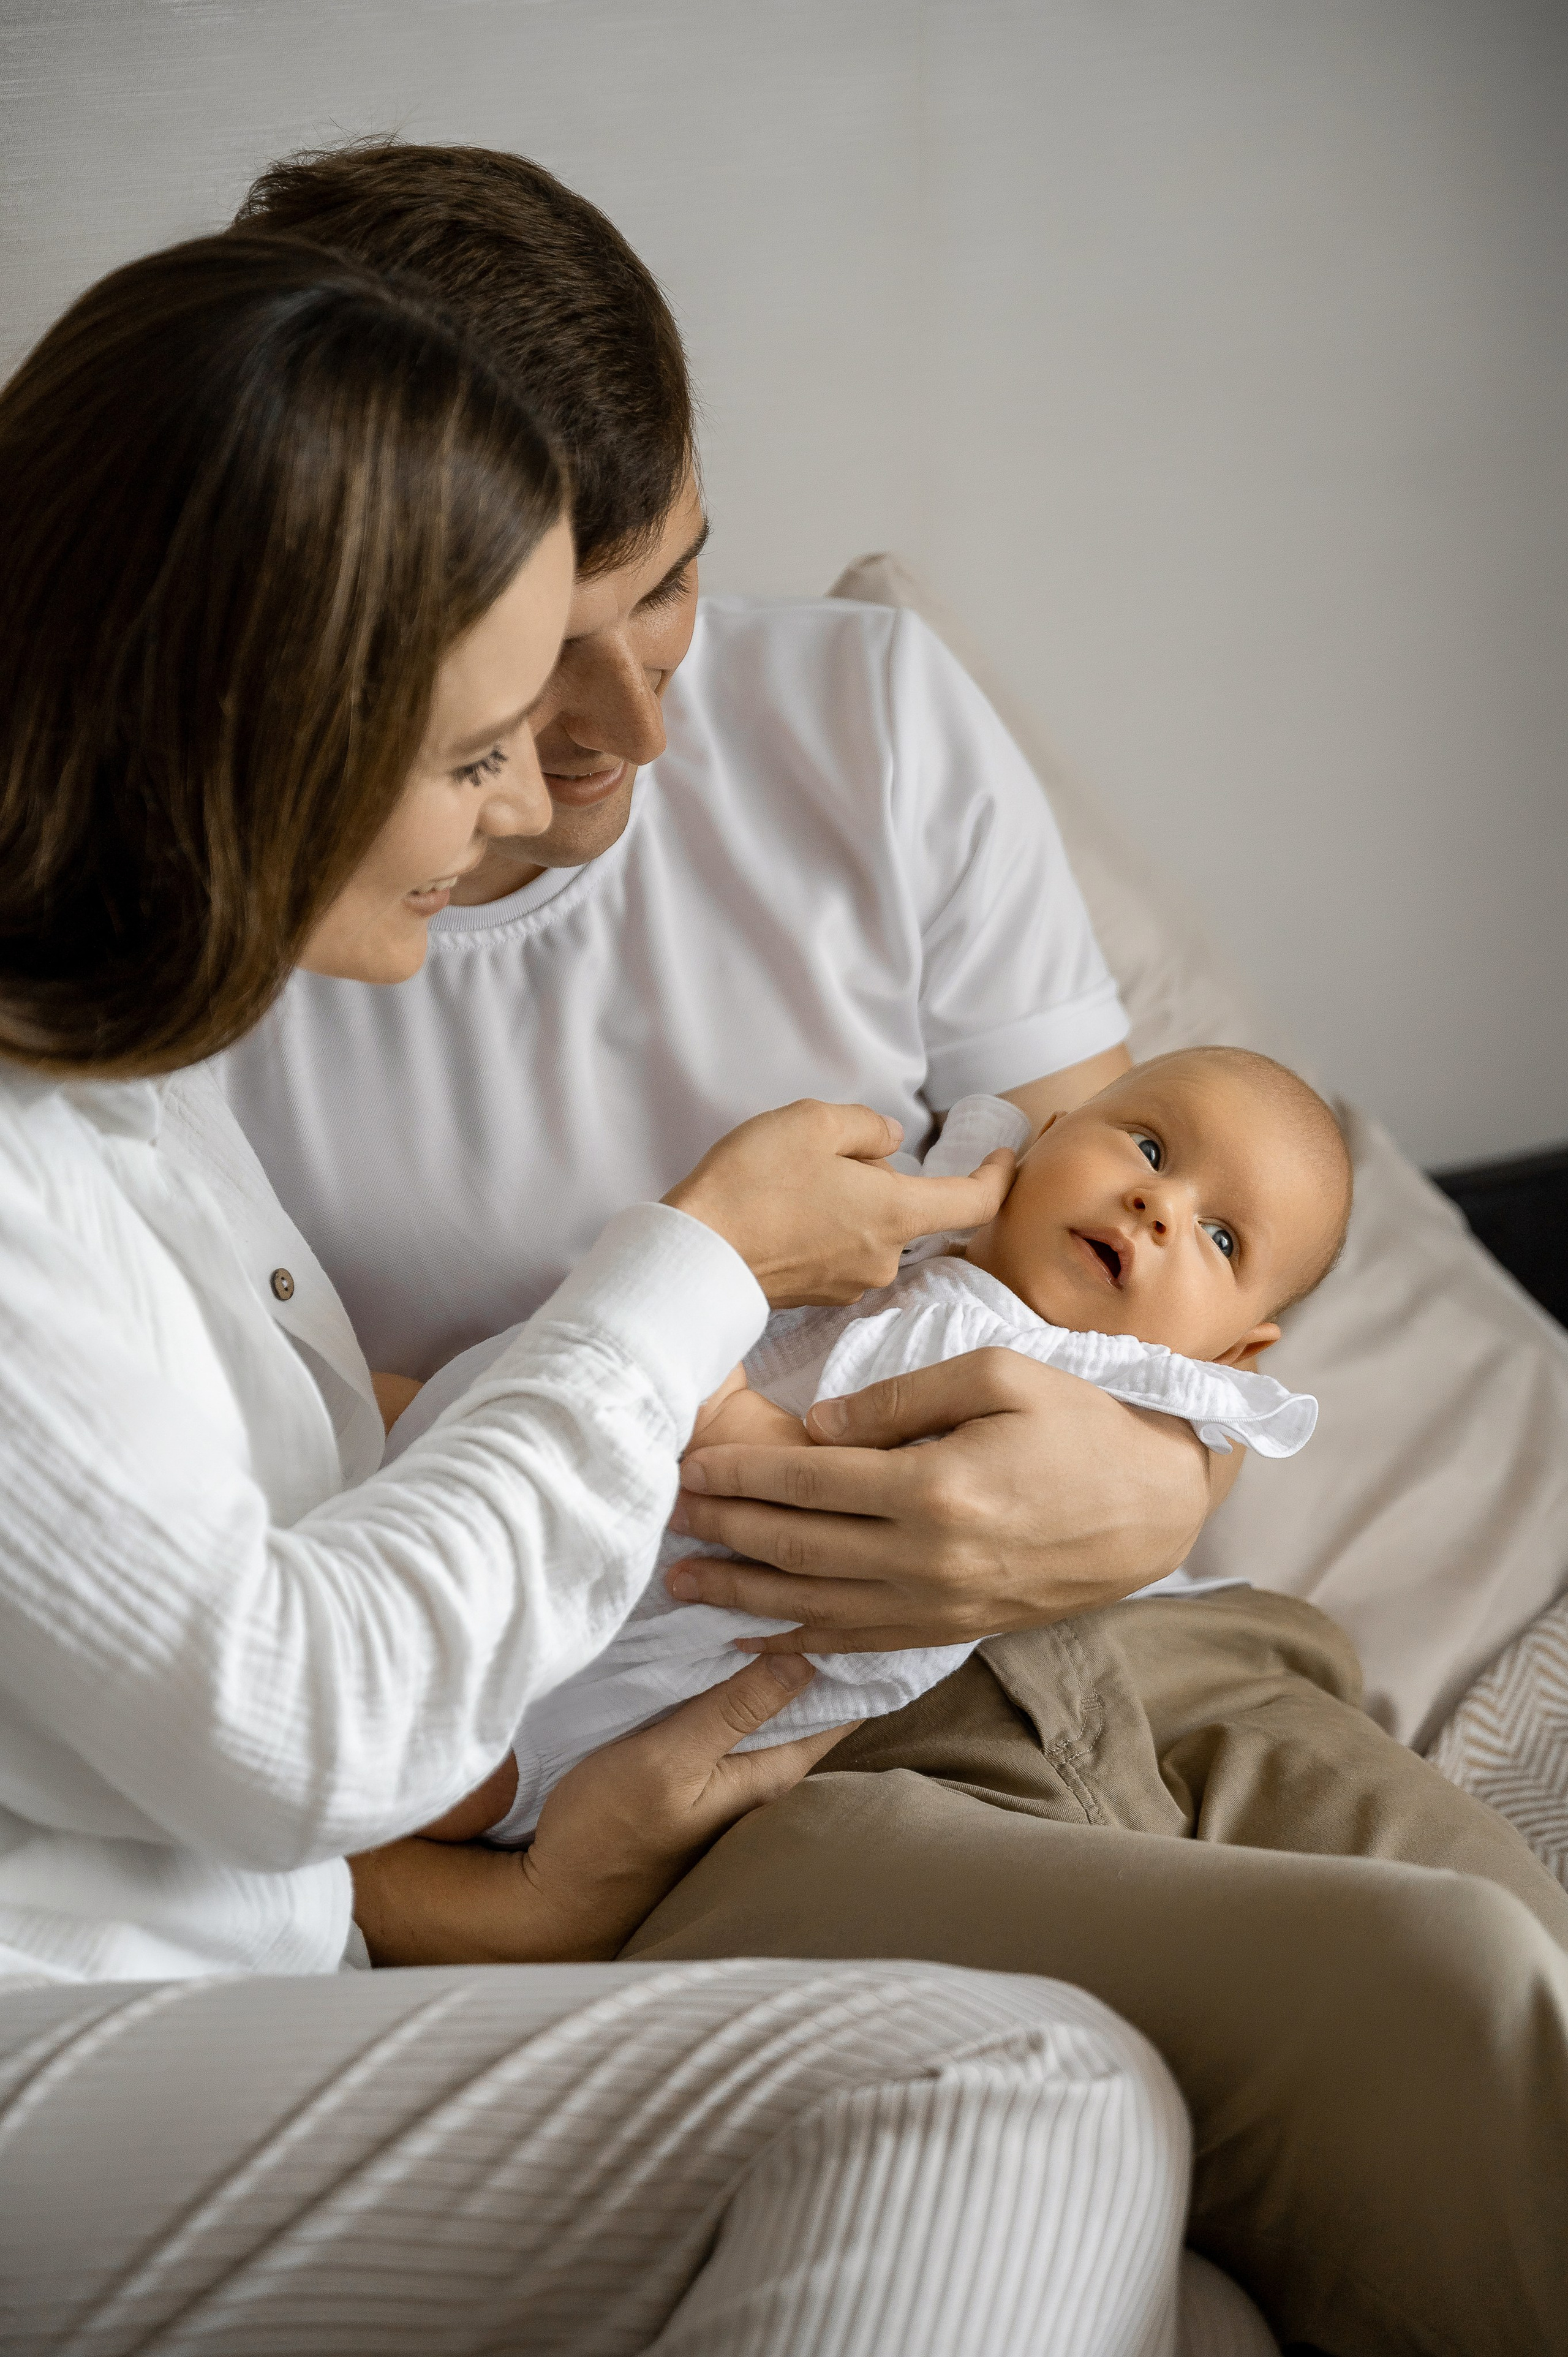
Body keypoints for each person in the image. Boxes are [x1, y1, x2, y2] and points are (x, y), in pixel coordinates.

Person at [213, 142, 1568, 2355]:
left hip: (1151, 1641)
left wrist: (1135, 1492)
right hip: (738, 1752)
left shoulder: (858, 717)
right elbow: (255, 1588)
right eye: (553, 665)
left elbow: (1147, 1223)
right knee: (1433, 1995)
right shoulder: (211, 974)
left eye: (674, 592)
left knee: (1500, 1926)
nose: (654, 724)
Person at [0, 235, 1194, 2356]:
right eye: (469, 750)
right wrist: (695, 1268)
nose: (506, 814)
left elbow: (254, 1618)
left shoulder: (131, 1090)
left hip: (264, 1981)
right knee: (1008, 2083)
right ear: (255, 728)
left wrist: (514, 1910)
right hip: (82, 2028)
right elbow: (290, 1709)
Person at [396, 1048, 1338, 1849]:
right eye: (1149, 1146)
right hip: (546, 1491)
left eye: (1220, 1238)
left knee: (439, 1756)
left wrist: (708, 1373)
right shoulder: (930, 1225)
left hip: (654, 1647)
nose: (1158, 1203)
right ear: (1048, 1134)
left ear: (1232, 1354)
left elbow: (817, 1481)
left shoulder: (1058, 1392)